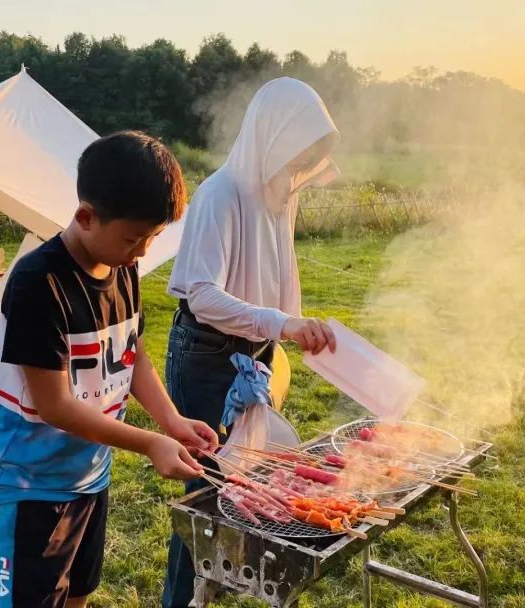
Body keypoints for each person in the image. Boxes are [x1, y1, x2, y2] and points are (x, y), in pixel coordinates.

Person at [0, 130, 219, 608]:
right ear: (86, 217)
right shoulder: (37, 283)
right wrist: (152, 443)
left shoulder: (122, 266)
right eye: (135, 237)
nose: (143, 251)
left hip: (89, 473)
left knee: (78, 592)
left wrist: (170, 421)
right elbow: (55, 406)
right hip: (29, 484)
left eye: (152, 238)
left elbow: (134, 356)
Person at [161, 77, 341, 608]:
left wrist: (299, 325)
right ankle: (182, 599)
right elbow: (202, 294)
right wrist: (279, 323)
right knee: (209, 497)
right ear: (272, 134)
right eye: (299, 147)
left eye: (313, 150)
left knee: (249, 482)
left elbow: (279, 277)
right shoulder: (221, 193)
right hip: (205, 355)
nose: (305, 160)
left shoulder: (281, 194)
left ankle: (210, 592)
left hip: (253, 354)